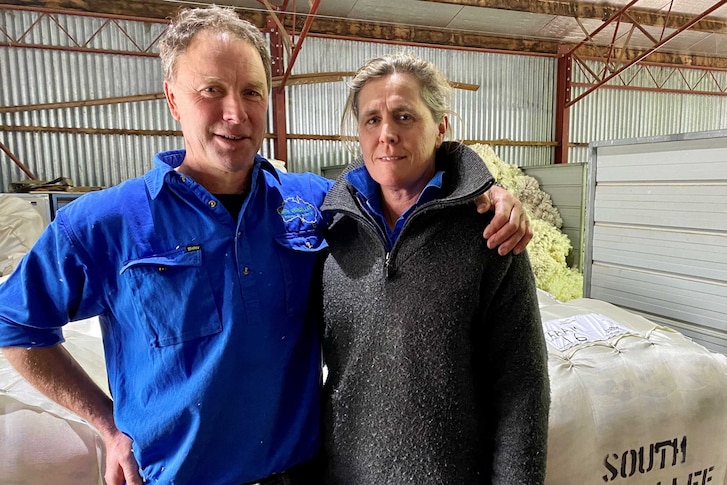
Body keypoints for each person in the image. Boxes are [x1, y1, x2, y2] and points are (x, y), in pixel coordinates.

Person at [0, 7, 531, 485]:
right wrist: (106, 423)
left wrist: (482, 190)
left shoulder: (318, 203)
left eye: (252, 91)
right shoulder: (102, 223)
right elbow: (15, 326)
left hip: (302, 475)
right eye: (212, 90)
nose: (236, 113)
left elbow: (399, 185)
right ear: (172, 99)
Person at [318, 52, 550, 484]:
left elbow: (522, 388)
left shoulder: (490, 236)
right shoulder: (333, 230)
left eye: (404, 116)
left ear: (441, 127)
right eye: (371, 120)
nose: (386, 134)